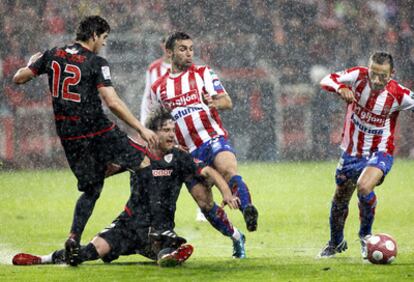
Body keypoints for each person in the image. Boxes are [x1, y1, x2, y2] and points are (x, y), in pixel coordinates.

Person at [12, 16, 158, 265]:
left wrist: (31, 63)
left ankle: (73, 237)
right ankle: (146, 230)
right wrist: (140, 128)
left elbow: (19, 78)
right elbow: (112, 102)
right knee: (148, 163)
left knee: (92, 188)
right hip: (98, 131)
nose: (104, 44)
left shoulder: (53, 54)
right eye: (104, 38)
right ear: (93, 36)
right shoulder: (96, 62)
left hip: (70, 136)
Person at [11, 108, 240, 266]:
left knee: (164, 242)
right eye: (166, 130)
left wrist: (227, 193)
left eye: (173, 130)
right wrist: (93, 173)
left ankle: (167, 254)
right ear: (153, 133)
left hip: (157, 228)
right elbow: (108, 170)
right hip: (128, 225)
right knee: (87, 253)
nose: (172, 134)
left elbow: (208, 172)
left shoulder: (180, 157)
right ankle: (42, 259)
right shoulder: (137, 155)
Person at [148, 31, 259, 232]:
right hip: (187, 152)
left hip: (212, 137)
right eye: (183, 49)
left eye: (191, 49)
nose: (189, 53)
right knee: (205, 203)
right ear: (169, 52)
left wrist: (215, 103)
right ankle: (236, 237)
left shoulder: (203, 73)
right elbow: (157, 122)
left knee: (228, 170)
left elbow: (227, 101)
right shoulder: (158, 87)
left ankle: (248, 209)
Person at [317, 51, 414, 258]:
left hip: (380, 152)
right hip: (351, 152)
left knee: (363, 186)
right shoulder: (357, 76)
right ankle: (335, 242)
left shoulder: (399, 94)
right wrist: (340, 87)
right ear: (368, 69)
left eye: (383, 76)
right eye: (374, 74)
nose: (377, 80)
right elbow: (326, 79)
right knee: (340, 198)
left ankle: (366, 237)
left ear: (392, 74)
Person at [140, 36, 171, 124]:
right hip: (160, 118)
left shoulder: (185, 67)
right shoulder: (153, 68)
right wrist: (144, 121)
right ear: (162, 46)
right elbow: (147, 96)